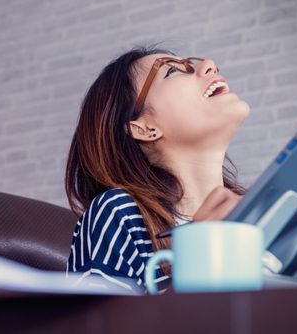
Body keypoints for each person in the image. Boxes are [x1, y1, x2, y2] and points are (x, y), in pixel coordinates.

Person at [64, 45, 251, 293]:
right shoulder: (121, 214)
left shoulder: (257, 217)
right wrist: (201, 257)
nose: (209, 64)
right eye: (172, 72)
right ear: (145, 127)